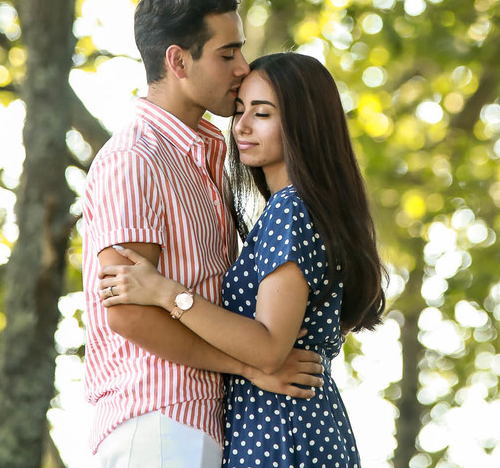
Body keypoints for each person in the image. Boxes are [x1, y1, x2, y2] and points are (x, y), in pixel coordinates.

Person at [99, 52, 387, 468]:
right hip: (292, 421)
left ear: (304, 124)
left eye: (262, 113)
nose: (241, 126)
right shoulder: (297, 209)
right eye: (239, 110)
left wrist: (166, 292)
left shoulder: (290, 210)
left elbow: (269, 349)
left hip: (282, 427)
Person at [82, 0, 325, 467]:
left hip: (202, 420)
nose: (243, 67)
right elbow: (127, 313)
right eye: (227, 53)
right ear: (178, 62)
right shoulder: (135, 159)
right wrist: (249, 366)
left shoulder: (209, 152)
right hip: (157, 417)